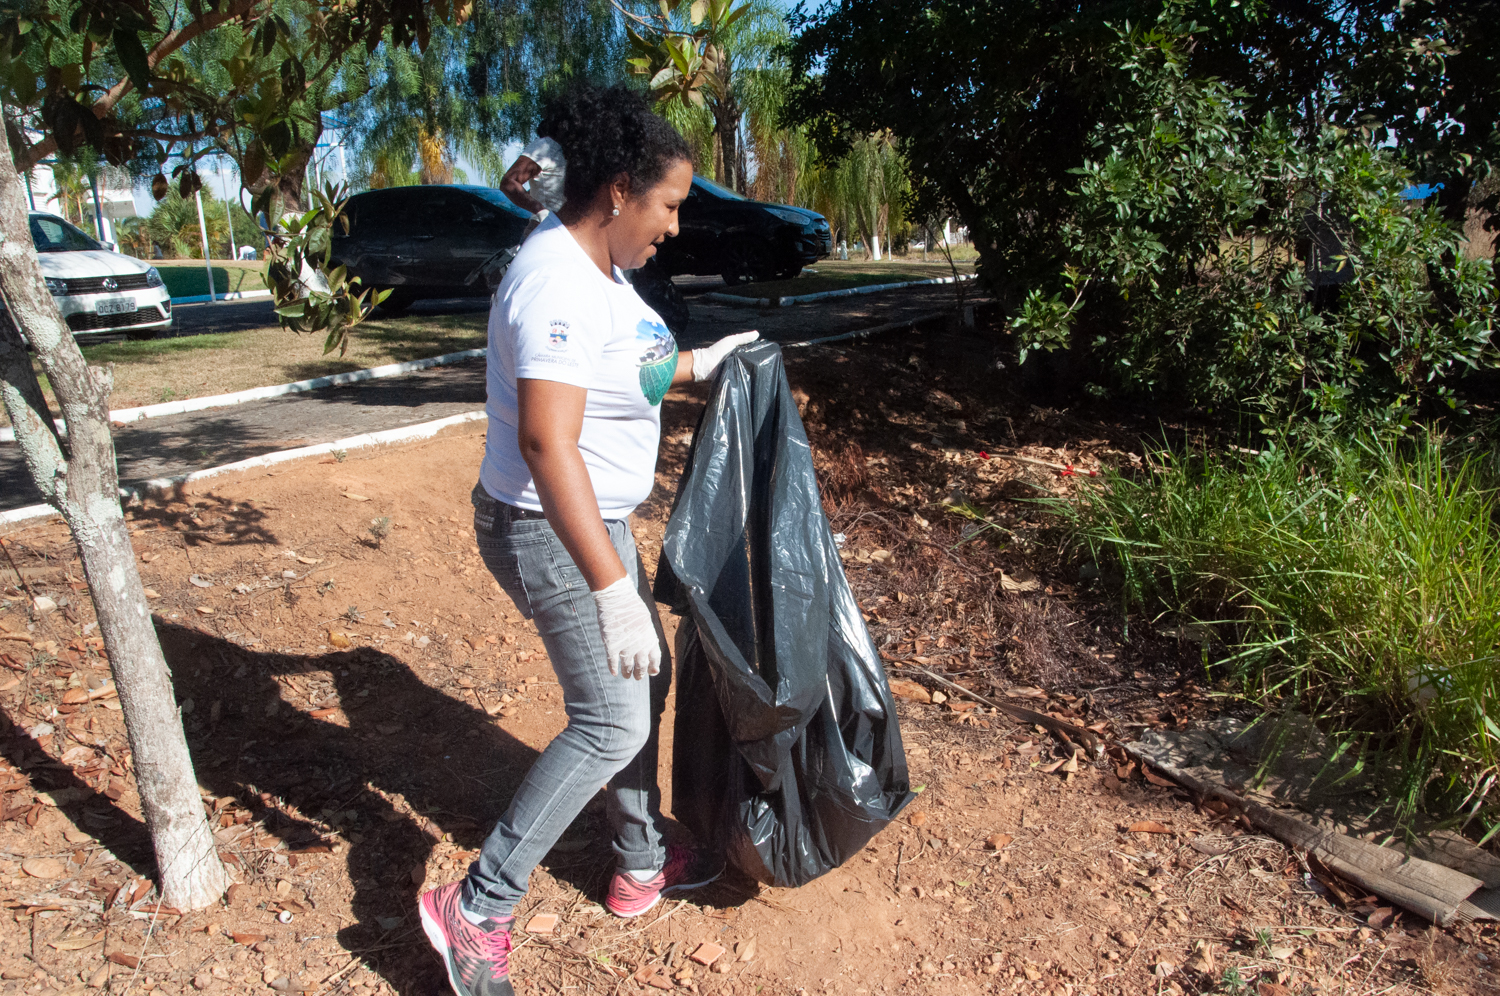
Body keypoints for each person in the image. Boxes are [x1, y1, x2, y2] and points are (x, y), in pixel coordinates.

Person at [418, 84, 759, 996]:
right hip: (547, 528)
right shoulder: (557, 283)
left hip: (589, 518)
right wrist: (612, 589)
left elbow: (619, 370)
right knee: (613, 717)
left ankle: (640, 861)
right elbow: (545, 440)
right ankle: (481, 905)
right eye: (670, 206)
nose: (676, 229)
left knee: (642, 683)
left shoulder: (591, 261)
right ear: (618, 191)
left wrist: (697, 365)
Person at [500, 126, 566, 233]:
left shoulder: (577, 155)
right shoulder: (546, 146)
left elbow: (542, 190)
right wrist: (541, 212)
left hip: (570, 234)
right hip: (544, 232)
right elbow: (509, 182)